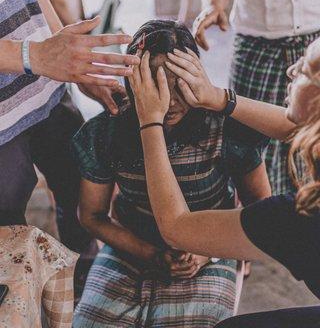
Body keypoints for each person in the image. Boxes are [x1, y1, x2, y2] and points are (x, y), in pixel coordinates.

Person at [71, 20, 271, 327]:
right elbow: (92, 216)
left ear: (198, 77)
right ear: (133, 82)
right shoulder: (105, 133)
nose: (170, 100)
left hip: (213, 245)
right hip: (132, 242)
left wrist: (208, 253)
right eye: (155, 84)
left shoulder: (227, 130)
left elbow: (261, 210)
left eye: (180, 83)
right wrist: (149, 253)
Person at [128, 28, 320, 326]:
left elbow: (177, 228)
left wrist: (150, 121)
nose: (291, 69)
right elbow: (294, 127)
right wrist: (217, 98)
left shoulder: (298, 218)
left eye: (305, 70)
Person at [0, 0, 138, 295]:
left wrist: (67, 57)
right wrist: (34, 55)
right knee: (10, 239)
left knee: (79, 185)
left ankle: (83, 280)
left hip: (45, 88)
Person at [194, 0, 320, 196]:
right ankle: (263, 225)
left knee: (314, 139)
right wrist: (214, 6)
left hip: (316, 46)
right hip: (256, 46)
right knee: (247, 143)